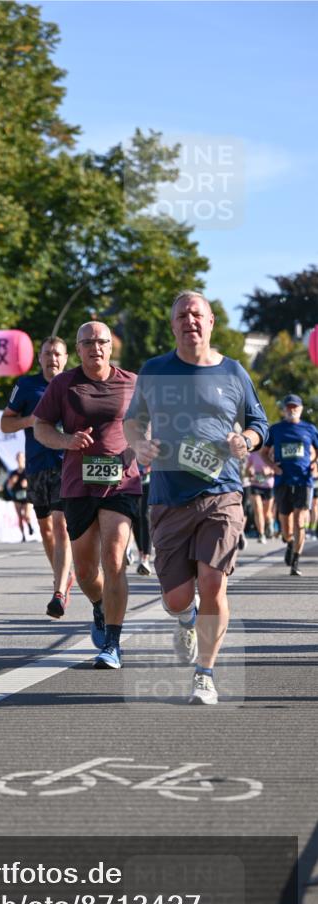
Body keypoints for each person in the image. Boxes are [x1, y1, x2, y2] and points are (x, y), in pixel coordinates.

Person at [124, 290, 268, 705]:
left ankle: (204, 673)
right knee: (177, 596)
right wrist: (139, 444)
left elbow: (260, 423)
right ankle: (185, 619)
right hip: (169, 494)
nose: (190, 321)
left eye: (197, 314)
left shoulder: (233, 372)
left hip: (221, 491)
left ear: (210, 323)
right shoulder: (154, 371)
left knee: (213, 582)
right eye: (182, 315)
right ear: (173, 326)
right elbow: (133, 421)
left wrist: (246, 439)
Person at [34, 322, 141, 668]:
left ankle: (112, 642)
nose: (96, 347)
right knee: (84, 572)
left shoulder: (132, 382)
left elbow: (151, 424)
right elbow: (41, 427)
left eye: (102, 342)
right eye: (88, 342)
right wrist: (67, 441)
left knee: (114, 559)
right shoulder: (64, 384)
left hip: (121, 481)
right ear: (78, 349)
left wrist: (139, 446)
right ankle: (99, 605)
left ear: (112, 347)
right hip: (78, 484)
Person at [1, 336, 74, 618]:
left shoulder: (74, 385)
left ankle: (59, 590)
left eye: (57, 354)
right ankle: (63, 576)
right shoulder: (26, 386)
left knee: (60, 525)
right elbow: (5, 424)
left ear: (66, 358)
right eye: (47, 354)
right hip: (36, 467)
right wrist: (30, 421)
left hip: (65, 465)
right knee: (45, 529)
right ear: (40, 358)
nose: (52, 359)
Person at [261, 394, 318, 576]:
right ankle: (289, 542)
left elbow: (317, 452)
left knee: (299, 521)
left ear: (301, 409)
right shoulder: (276, 429)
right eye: (289, 407)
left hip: (304, 480)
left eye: (295, 407)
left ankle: (295, 561)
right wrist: (272, 467)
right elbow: (264, 453)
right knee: (285, 524)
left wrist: (315, 463)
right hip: (282, 480)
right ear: (283, 409)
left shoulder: (309, 429)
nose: (292, 410)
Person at [245, 448, 275, 543]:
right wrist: (250, 472)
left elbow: (277, 469)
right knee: (258, 510)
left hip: (269, 485)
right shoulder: (252, 454)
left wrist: (269, 471)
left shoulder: (271, 453)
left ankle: (269, 523)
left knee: (267, 513)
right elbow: (247, 471)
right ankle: (261, 534)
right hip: (255, 484)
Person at [4, 452, 34, 542]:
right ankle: (23, 536)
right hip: (17, 496)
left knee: (27, 515)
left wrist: (27, 483)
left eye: (21, 458)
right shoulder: (13, 473)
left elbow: (34, 483)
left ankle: (29, 525)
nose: (20, 459)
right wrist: (12, 482)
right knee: (20, 517)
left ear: (24, 459)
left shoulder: (28, 471)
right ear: (16, 460)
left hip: (27, 496)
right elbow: (8, 486)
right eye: (18, 458)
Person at [132, 463, 152, 574]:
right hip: (132, 477)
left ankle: (145, 558)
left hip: (147, 478)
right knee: (136, 516)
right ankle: (140, 553)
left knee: (145, 516)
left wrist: (151, 466)